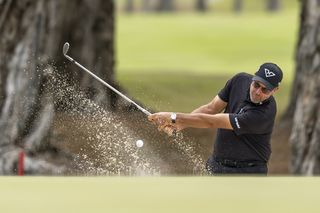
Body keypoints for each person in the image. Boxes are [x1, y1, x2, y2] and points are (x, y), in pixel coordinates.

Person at [148, 62, 283, 175]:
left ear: (275, 90)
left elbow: (212, 121)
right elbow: (210, 108)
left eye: (265, 90)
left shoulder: (263, 114)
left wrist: (173, 117)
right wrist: (180, 124)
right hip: (217, 164)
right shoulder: (239, 81)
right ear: (253, 78)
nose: (258, 91)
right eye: (256, 85)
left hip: (248, 171)